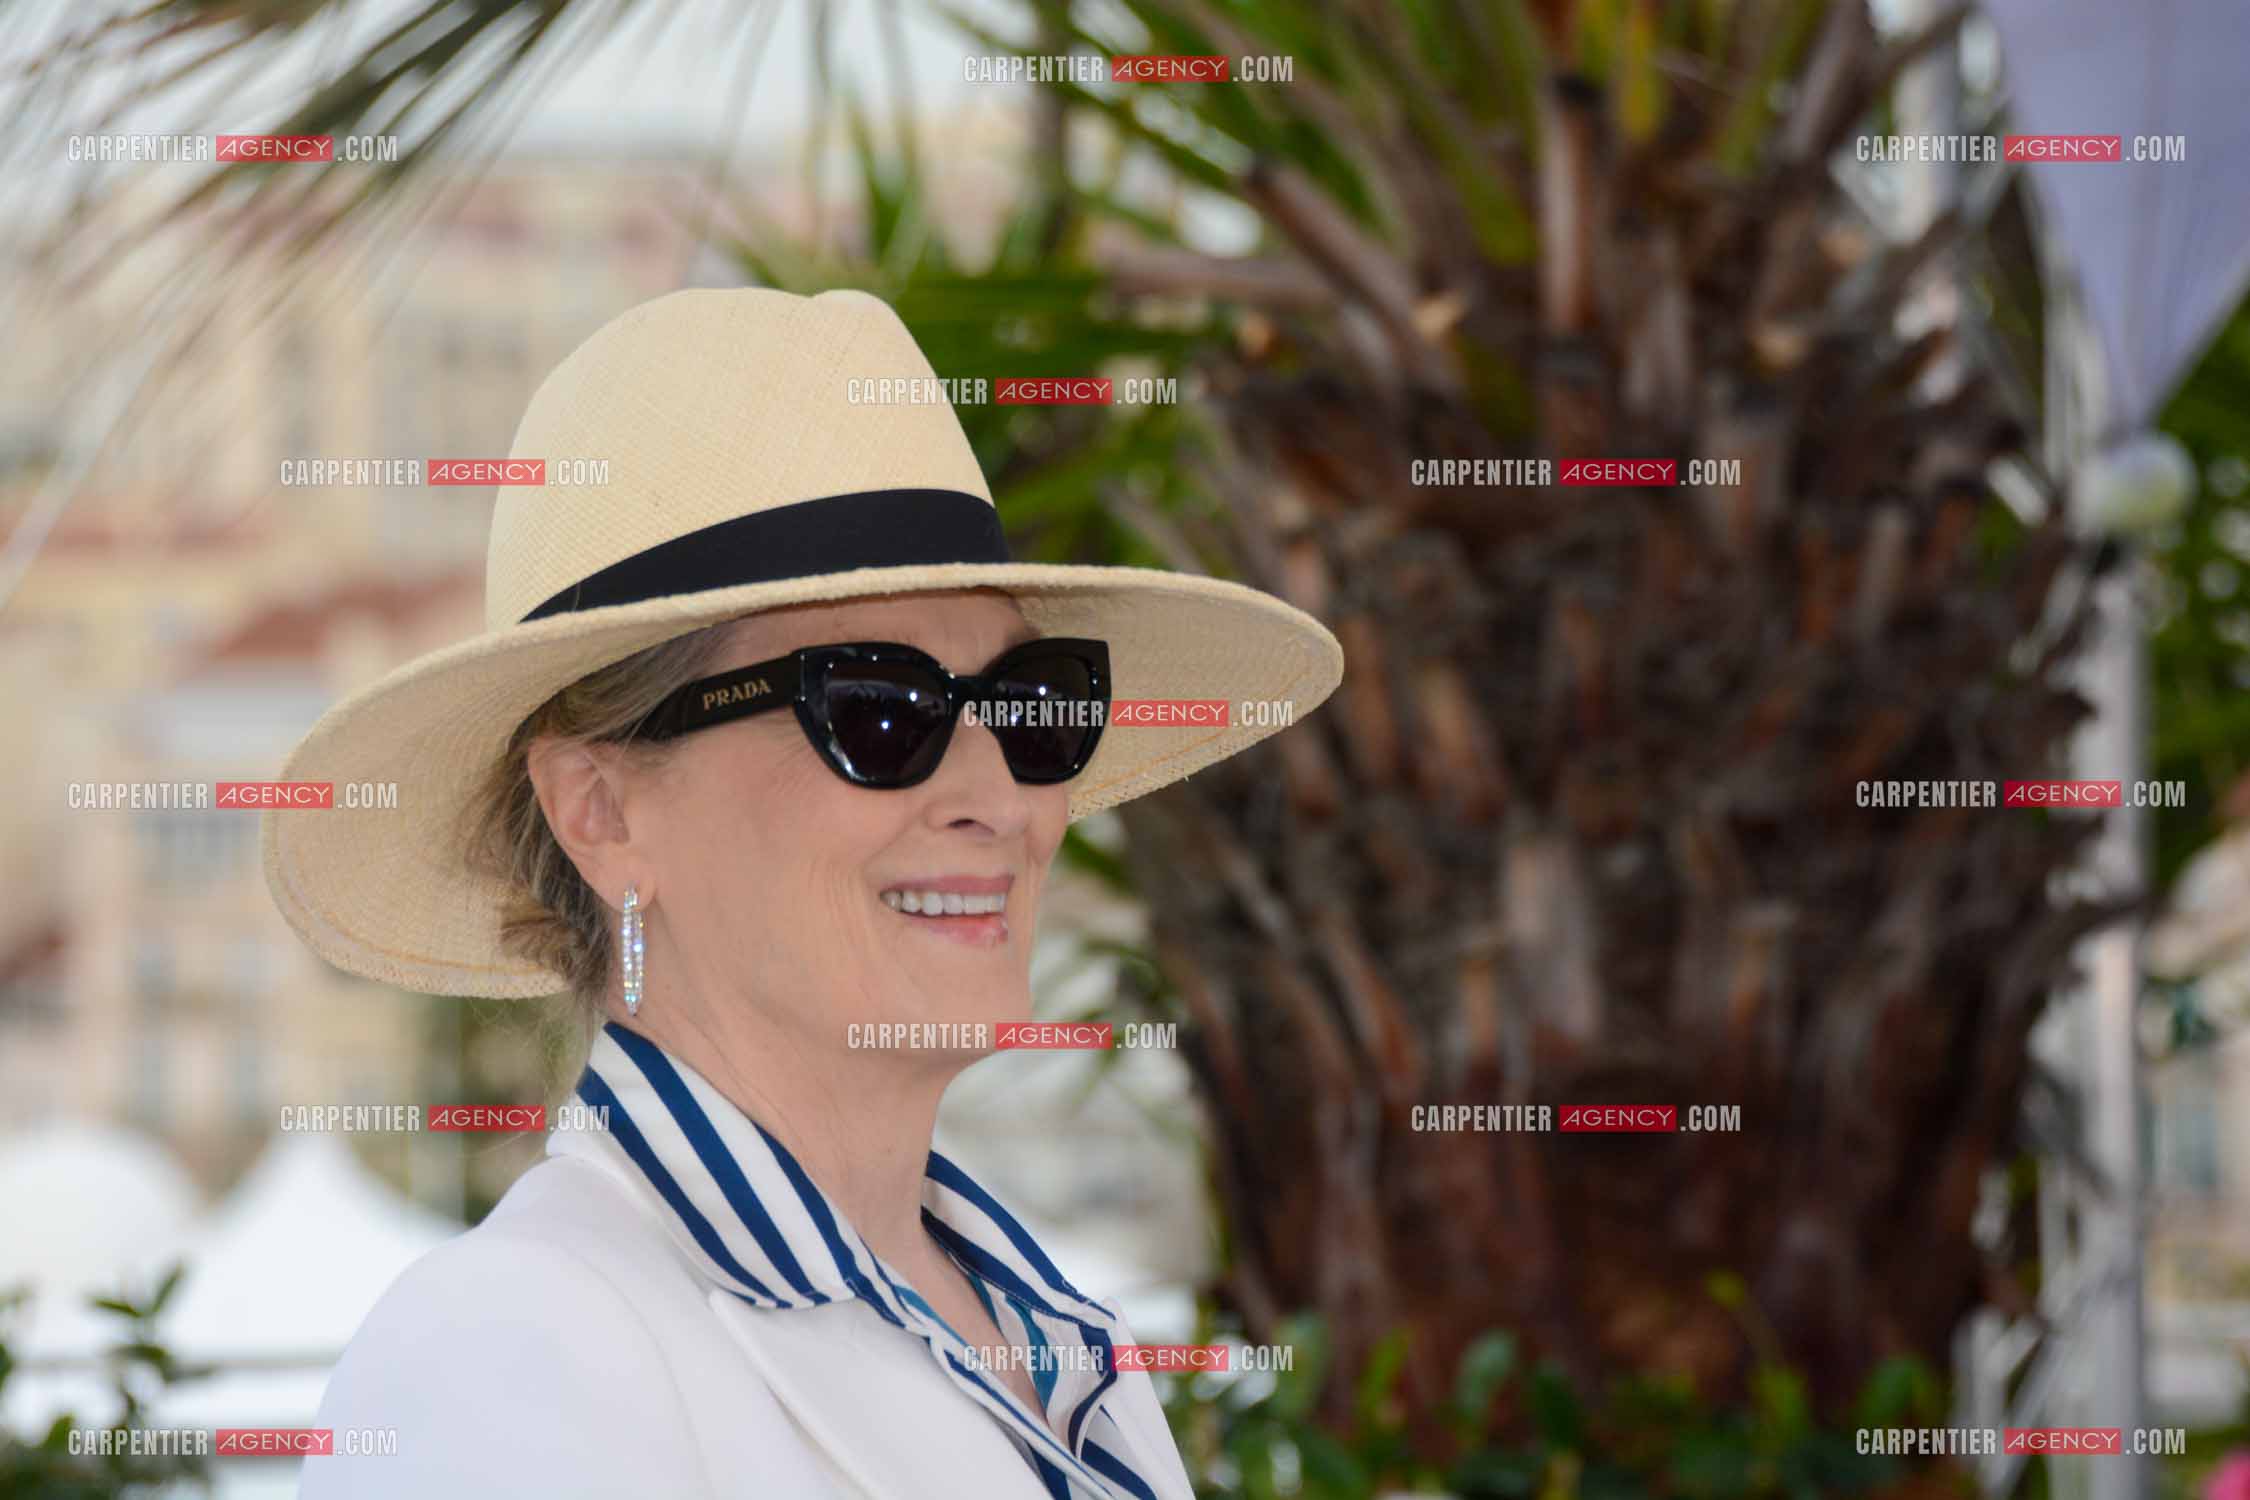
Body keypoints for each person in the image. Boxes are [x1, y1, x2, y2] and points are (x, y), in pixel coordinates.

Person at [264, 286, 1342, 1498]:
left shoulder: (1060, 1336)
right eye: (878, 711)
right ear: (600, 811)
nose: (999, 796)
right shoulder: (510, 1348)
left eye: (1033, 701)